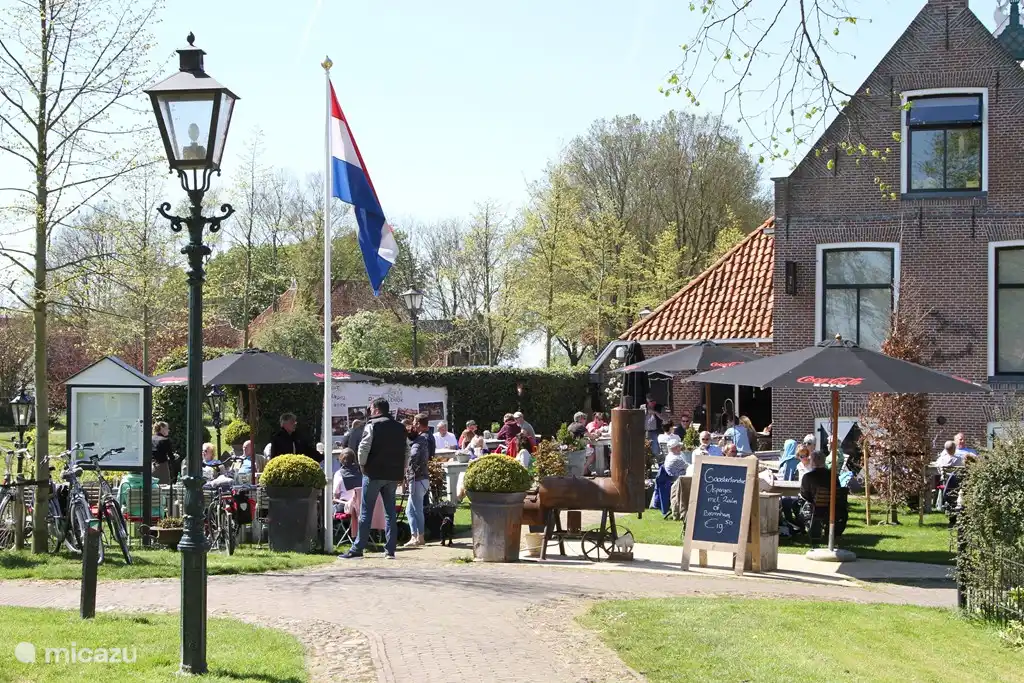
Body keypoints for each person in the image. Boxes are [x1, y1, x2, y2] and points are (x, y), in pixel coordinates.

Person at [340, 398, 410, 560]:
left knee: (366, 512)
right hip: (393, 475)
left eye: (371, 409)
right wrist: (403, 469)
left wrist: (362, 466)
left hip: (373, 473)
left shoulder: (372, 425)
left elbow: (364, 447)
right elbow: (407, 450)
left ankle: (358, 548)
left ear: (377, 410)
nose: (370, 412)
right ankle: (390, 550)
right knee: (390, 512)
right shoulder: (400, 428)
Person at [404, 413, 431, 547]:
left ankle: (419, 537)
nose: (413, 424)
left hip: (416, 480)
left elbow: (414, 456)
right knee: (409, 510)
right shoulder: (425, 439)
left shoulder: (418, 442)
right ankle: (414, 536)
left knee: (417, 509)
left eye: (415, 422)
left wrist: (408, 468)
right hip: (422, 479)